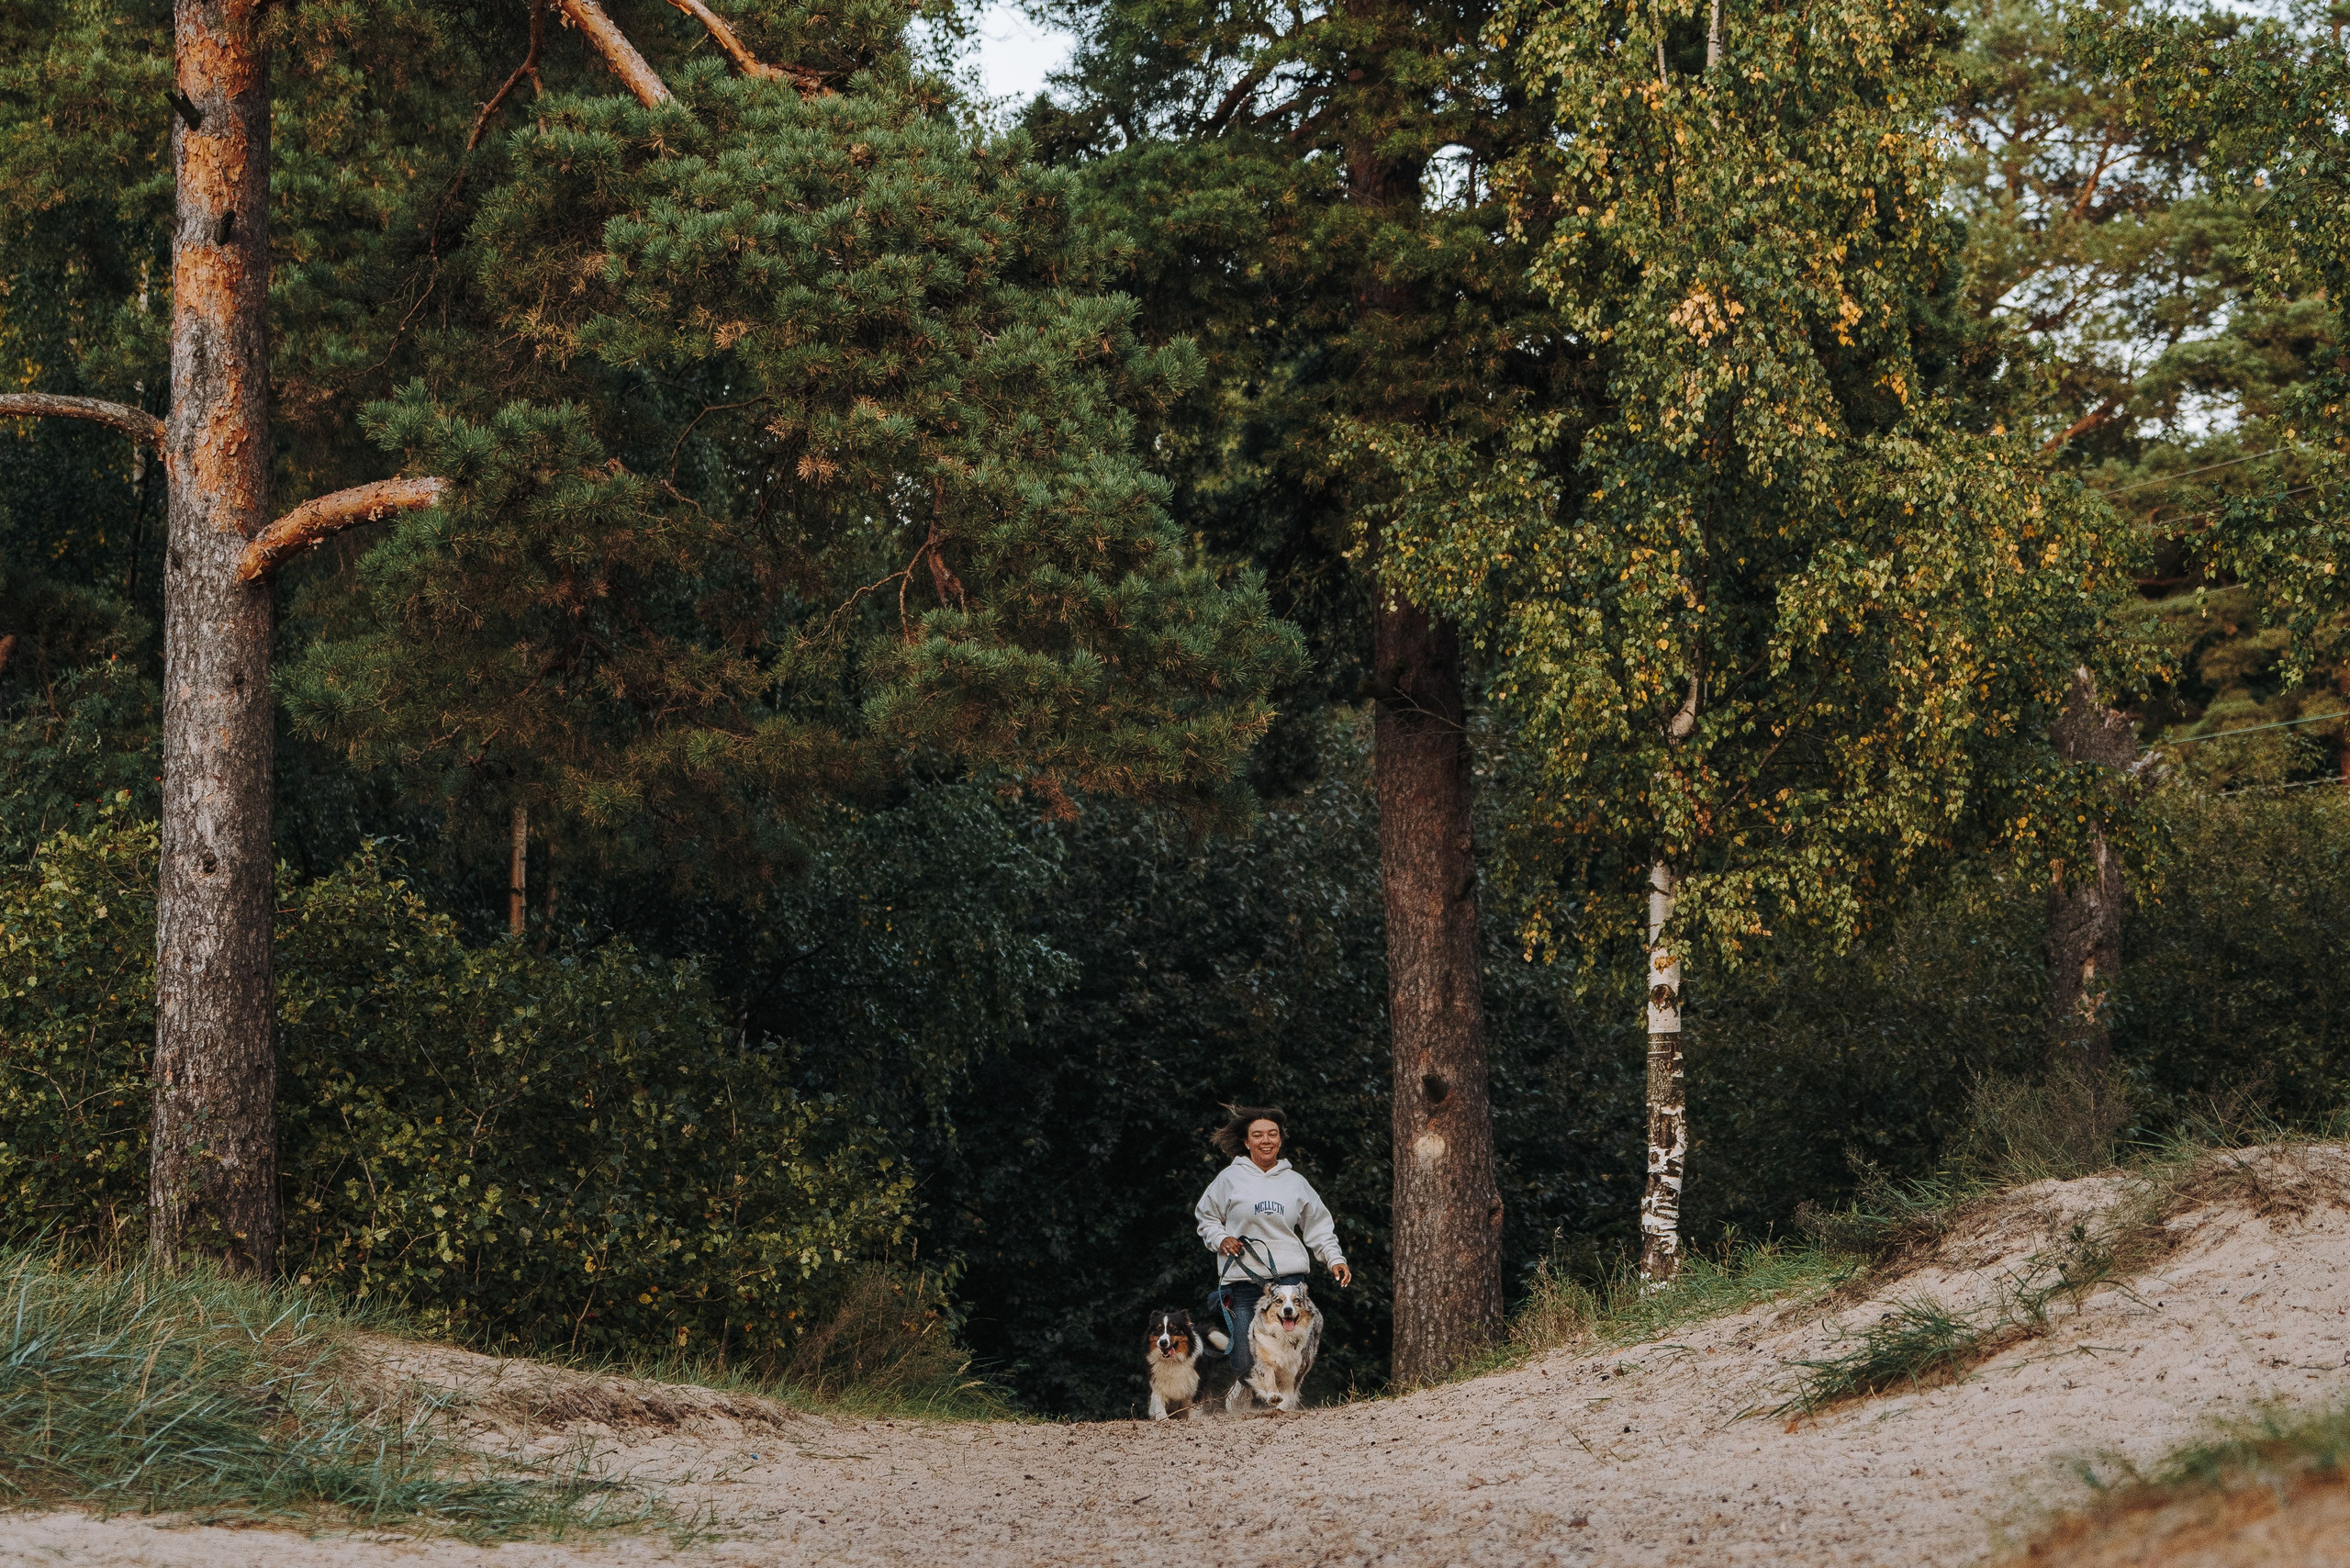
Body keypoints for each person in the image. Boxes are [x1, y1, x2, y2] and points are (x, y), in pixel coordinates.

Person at [1192, 1105, 1351, 1386]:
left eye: (1272, 1134)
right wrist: (1221, 1238)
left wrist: (1334, 1258)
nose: (1265, 1140)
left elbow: (1318, 1226)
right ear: (1247, 1141)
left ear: (1280, 1139)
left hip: (1287, 1281)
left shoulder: (1296, 1182)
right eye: (1258, 1135)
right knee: (1244, 1361)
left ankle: (1279, 1408)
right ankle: (1246, 1392)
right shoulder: (1229, 1179)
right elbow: (1206, 1218)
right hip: (1242, 1280)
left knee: (1287, 1356)